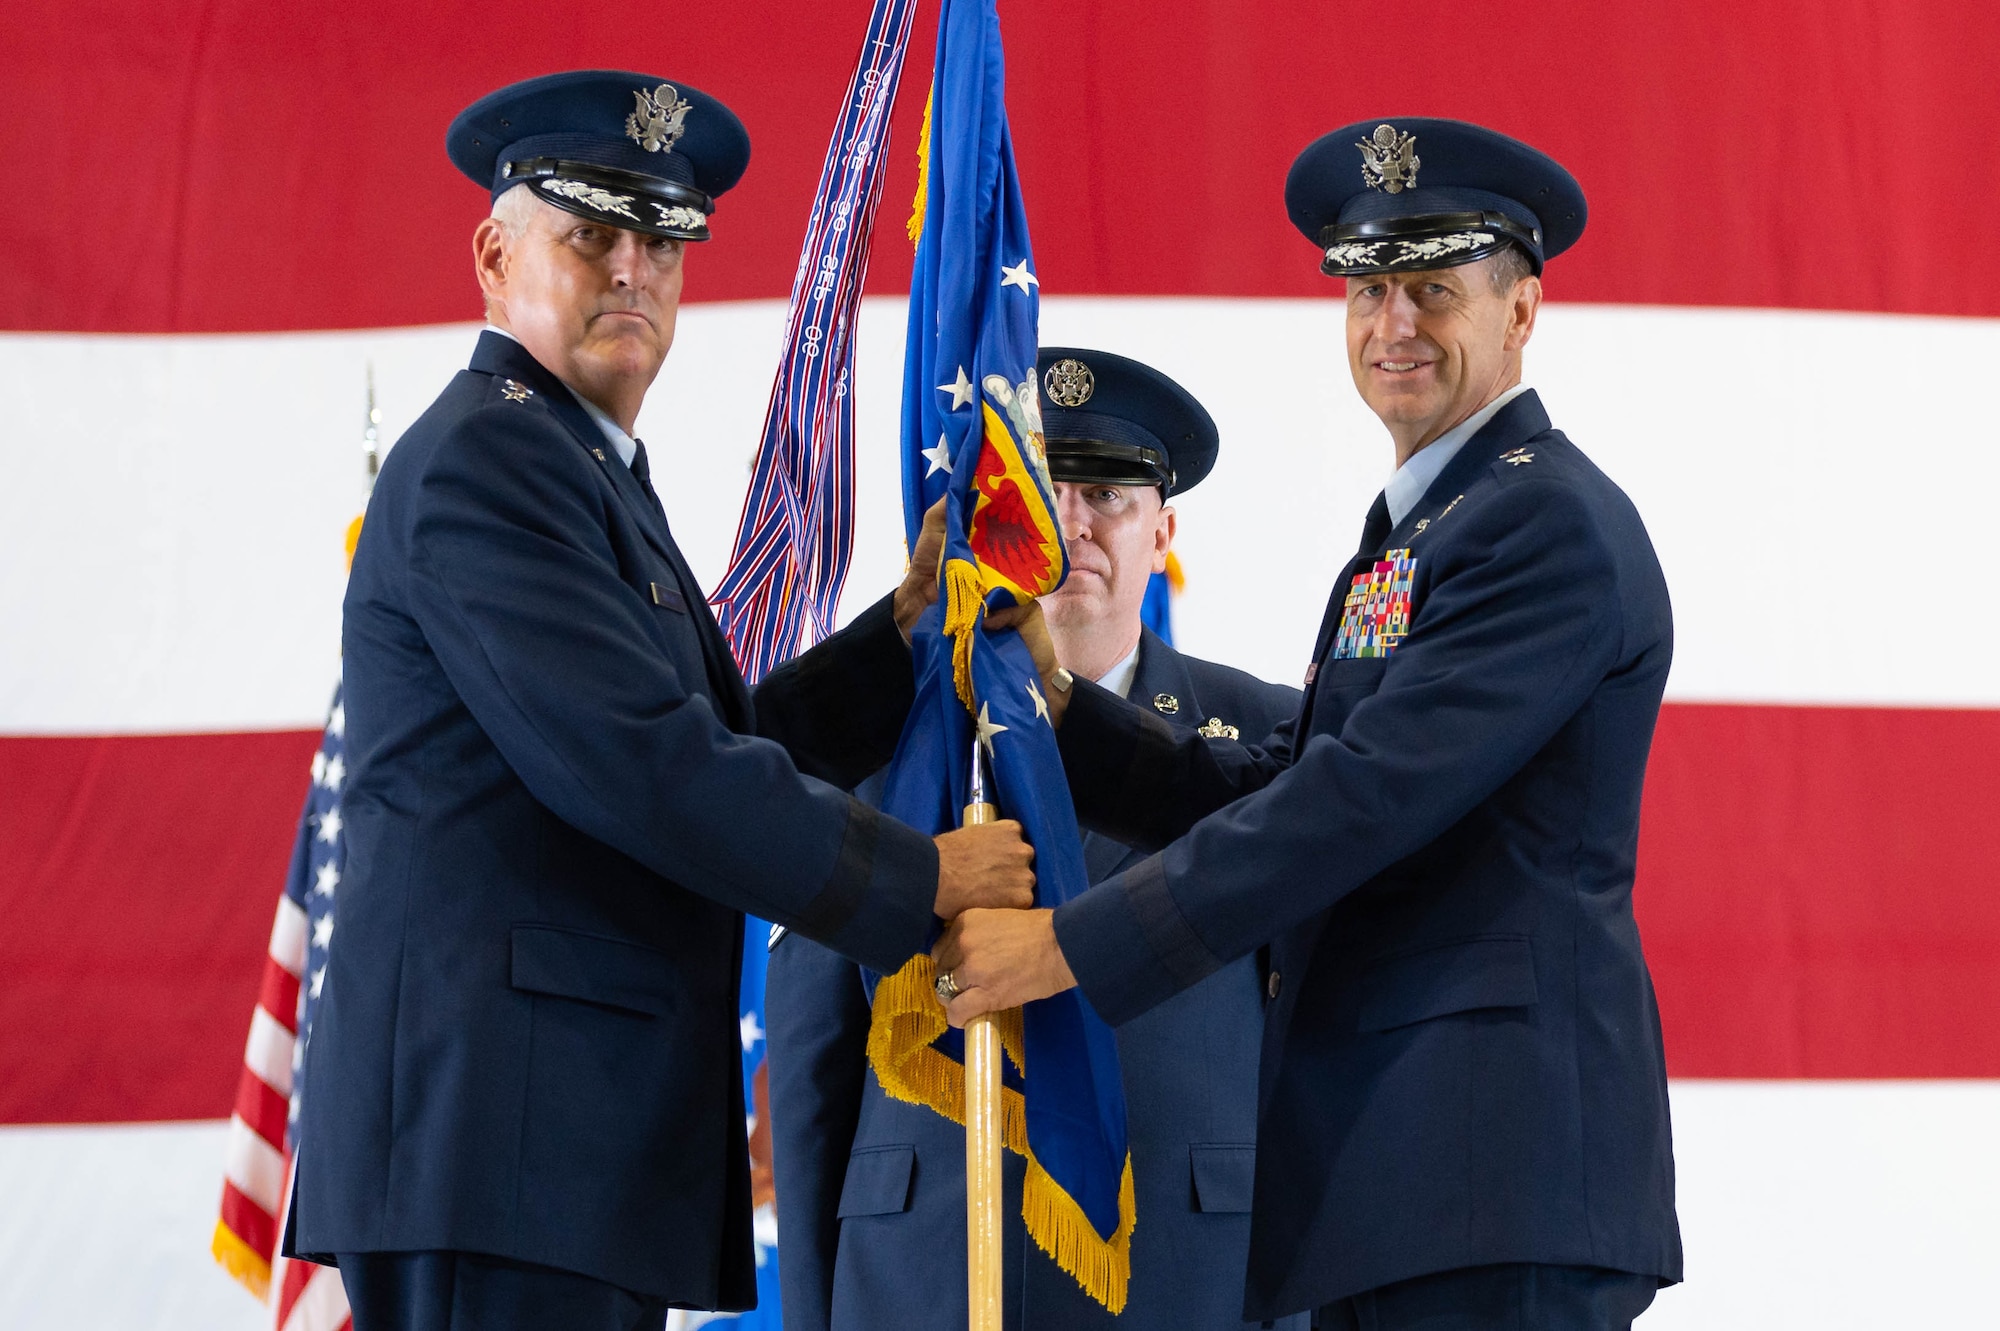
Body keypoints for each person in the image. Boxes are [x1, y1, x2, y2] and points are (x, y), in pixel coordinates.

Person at [284, 70, 1035, 1331]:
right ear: (492, 255)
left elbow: (709, 739)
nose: (632, 267)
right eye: (589, 233)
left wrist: (903, 637)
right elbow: (645, 766)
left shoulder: (577, 462)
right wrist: (924, 879)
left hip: (550, 1149)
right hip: (499, 1149)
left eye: (662, 240)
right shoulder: (492, 459)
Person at [930, 120, 1684, 1329]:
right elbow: (1292, 775)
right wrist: (1063, 713)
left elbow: (1354, 803)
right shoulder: (1423, 531)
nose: (1392, 322)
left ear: (1522, 310)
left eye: (1433, 287)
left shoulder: (1541, 527)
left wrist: (1064, 947)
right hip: (1396, 1178)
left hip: (1488, 1173)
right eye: (1368, 286)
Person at [766, 349, 1307, 1331]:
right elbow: (811, 1068)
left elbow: (1308, 1050)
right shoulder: (885, 738)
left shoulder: (1263, 737)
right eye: (1041, 491)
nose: (1071, 522)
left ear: (1163, 529)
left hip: (1186, 1280)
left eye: (1107, 492)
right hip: (917, 1280)